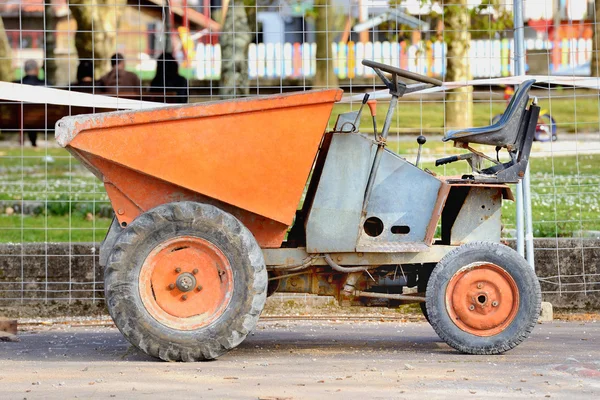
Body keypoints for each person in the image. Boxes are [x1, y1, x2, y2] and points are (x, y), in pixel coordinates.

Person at [14, 60, 44, 146]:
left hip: (19, 118)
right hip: (42, 118)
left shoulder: (15, 85)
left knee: (28, 117)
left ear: (25, 70)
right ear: (37, 69)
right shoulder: (45, 84)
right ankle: (33, 143)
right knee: (33, 117)